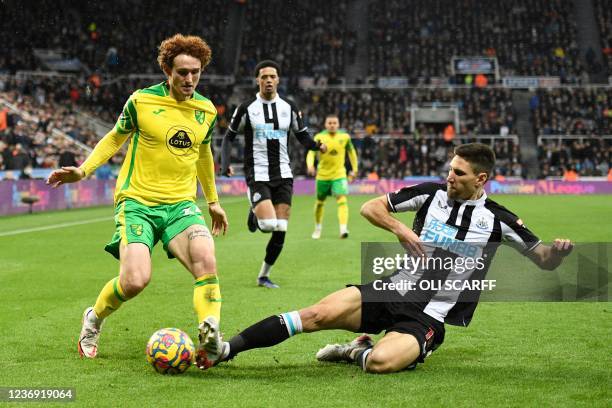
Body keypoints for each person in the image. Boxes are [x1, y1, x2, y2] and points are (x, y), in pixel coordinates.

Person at [202, 143, 573, 373]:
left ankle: (357, 351)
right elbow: (370, 207)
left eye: (458, 174)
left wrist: (556, 252)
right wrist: (401, 229)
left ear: (481, 179)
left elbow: (543, 259)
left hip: (429, 315)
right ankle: (225, 350)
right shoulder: (430, 195)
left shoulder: (498, 220)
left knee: (381, 362)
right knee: (314, 314)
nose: (449, 178)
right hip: (391, 288)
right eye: (449, 170)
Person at [46, 34, 229, 369]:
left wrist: (213, 200)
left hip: (181, 205)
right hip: (138, 202)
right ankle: (94, 317)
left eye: (196, 72)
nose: (189, 79)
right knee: (134, 281)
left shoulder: (206, 109)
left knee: (207, 259)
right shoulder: (142, 101)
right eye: (182, 72)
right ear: (167, 70)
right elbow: (115, 136)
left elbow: (203, 154)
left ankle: (211, 334)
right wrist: (84, 171)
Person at [221, 60, 326, 289]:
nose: (268, 80)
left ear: (278, 80)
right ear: (257, 80)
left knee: (281, 229)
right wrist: (225, 164)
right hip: (257, 172)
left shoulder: (289, 106)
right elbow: (228, 138)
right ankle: (255, 211)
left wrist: (317, 146)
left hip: (284, 173)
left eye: (272, 76)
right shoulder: (247, 108)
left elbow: (302, 136)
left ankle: (263, 276)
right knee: (268, 224)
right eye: (264, 76)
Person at [306, 114, 358, 239]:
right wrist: (310, 165)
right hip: (322, 175)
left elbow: (352, 153)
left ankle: (343, 229)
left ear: (338, 124)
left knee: (342, 200)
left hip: (339, 175)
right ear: (325, 124)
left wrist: (355, 169)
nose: (332, 125)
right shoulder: (320, 137)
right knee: (319, 203)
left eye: (334, 123)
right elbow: (311, 152)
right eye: (330, 123)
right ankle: (318, 228)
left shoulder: (345, 137)